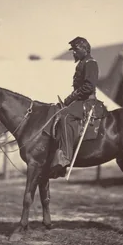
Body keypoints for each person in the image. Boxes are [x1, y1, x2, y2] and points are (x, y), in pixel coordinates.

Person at [49, 36, 100, 177]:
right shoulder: (83, 62)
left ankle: (65, 158)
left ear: (85, 49)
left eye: (76, 50)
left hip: (87, 101)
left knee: (65, 117)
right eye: (73, 50)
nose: (74, 53)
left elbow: (89, 86)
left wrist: (71, 98)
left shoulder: (90, 63)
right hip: (80, 101)